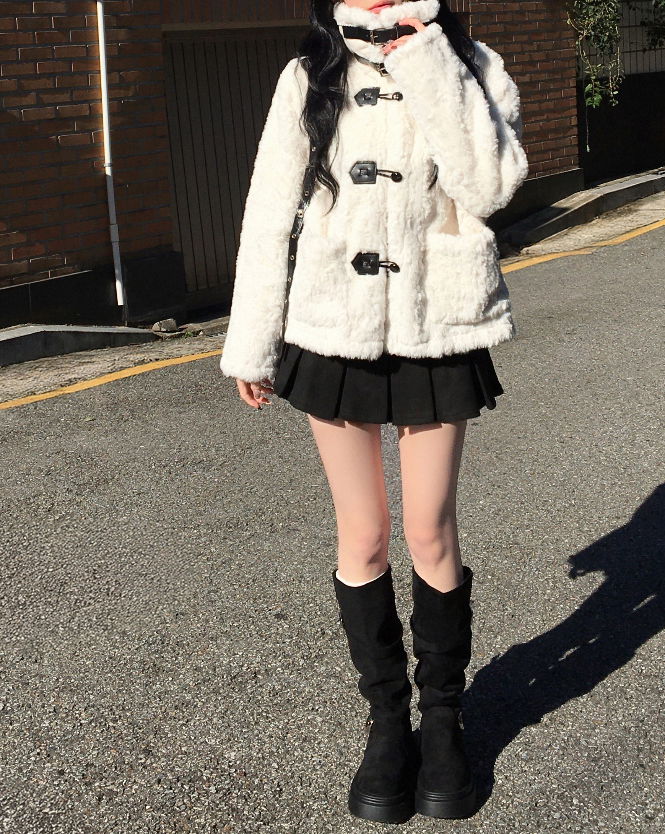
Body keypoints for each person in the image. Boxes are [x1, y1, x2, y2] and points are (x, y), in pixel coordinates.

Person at [219, 0, 527, 822]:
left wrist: (426, 62)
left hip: (437, 320)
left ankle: (444, 722)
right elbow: (268, 208)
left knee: (430, 530)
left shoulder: (475, 68)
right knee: (362, 534)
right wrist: (252, 342)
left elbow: (492, 186)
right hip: (333, 324)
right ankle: (387, 725)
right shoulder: (308, 75)